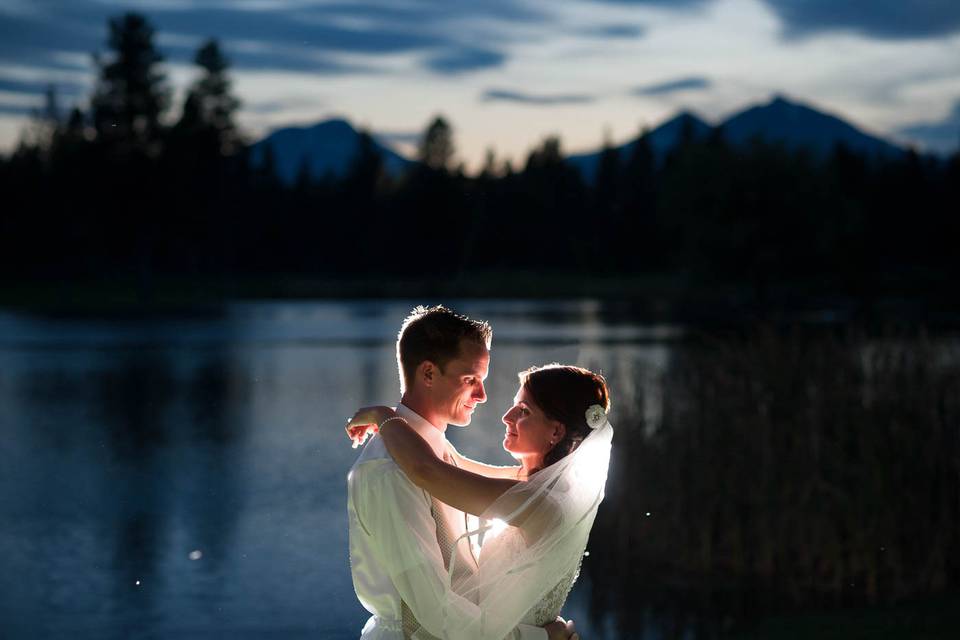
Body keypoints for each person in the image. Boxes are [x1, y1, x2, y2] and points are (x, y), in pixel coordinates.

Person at [346, 305, 578, 640]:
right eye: (471, 380)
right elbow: (433, 614)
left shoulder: (438, 456)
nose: (483, 396)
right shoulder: (390, 472)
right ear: (428, 373)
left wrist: (385, 416)